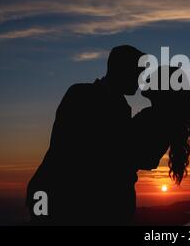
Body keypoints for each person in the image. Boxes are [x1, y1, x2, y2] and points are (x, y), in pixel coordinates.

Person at [26, 45, 145, 225]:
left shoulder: (122, 107)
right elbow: (66, 148)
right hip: (57, 194)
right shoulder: (80, 94)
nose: (140, 80)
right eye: (138, 73)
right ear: (122, 70)